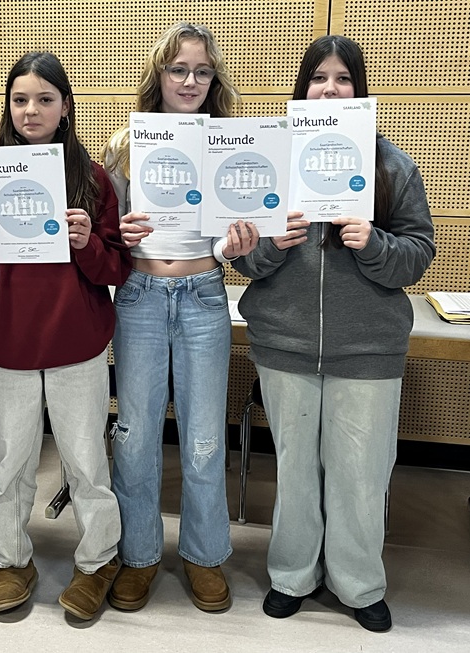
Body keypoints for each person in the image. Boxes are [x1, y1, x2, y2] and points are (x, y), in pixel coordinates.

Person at [232, 35, 435, 632]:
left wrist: (374, 244)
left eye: (343, 78)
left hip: (368, 349)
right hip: (286, 344)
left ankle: (359, 583)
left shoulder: (391, 166)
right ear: (303, 89)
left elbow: (417, 254)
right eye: (318, 78)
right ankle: (292, 575)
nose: (330, 89)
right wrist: (271, 245)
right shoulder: (272, 162)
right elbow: (244, 260)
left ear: (358, 89)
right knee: (295, 470)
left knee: (361, 475)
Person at [0, 51, 132, 621]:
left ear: (65, 107)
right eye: (20, 99)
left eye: (45, 99)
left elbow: (117, 268)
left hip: (77, 345)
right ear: (8, 107)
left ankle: (98, 561)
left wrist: (88, 243)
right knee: (11, 463)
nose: (31, 110)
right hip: (11, 344)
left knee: (86, 463)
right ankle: (10, 559)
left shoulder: (92, 179)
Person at [102, 23, 258, 613]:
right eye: (178, 69)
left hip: (203, 295)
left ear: (213, 79)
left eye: (202, 71)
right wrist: (118, 233)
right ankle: (139, 554)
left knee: (203, 438)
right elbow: (107, 238)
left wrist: (232, 246)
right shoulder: (125, 144)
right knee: (135, 435)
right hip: (140, 297)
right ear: (159, 75)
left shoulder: (228, 142)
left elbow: (229, 231)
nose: (190, 81)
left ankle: (204, 554)